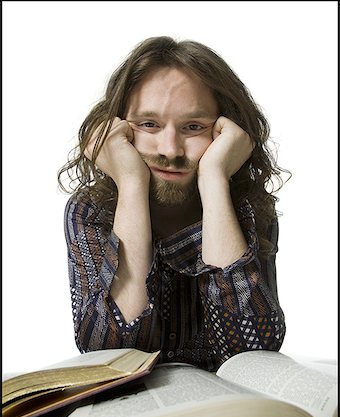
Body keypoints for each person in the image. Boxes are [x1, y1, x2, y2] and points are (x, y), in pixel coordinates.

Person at [58, 36, 290, 371]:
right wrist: (131, 184)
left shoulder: (249, 209)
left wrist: (213, 180)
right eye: (148, 124)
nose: (170, 149)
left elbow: (253, 349)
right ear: (117, 128)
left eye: (193, 127)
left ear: (224, 133)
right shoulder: (89, 211)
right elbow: (109, 352)